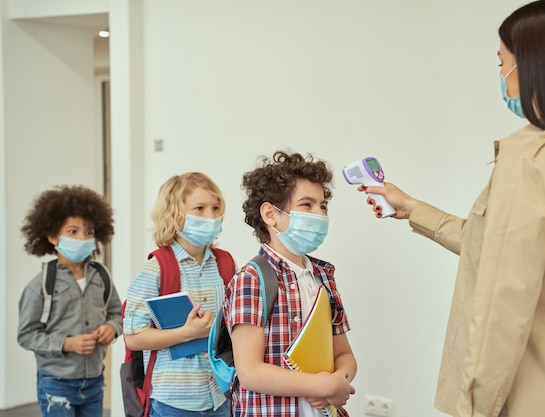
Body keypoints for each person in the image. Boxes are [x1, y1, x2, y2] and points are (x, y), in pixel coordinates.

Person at [357, 1, 545, 417]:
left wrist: (474, 409)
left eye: (503, 64)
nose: (501, 76)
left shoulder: (528, 159)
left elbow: (502, 306)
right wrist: (412, 208)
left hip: (527, 405)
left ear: (535, 66)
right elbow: (503, 250)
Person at [224, 150, 357, 417]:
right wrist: (320, 384)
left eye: (322, 206)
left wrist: (338, 381)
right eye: (306, 205)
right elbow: (250, 372)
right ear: (270, 214)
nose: (319, 214)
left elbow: (344, 354)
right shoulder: (251, 279)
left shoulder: (324, 276)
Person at [123, 172, 233, 417]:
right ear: (174, 215)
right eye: (200, 208)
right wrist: (187, 333)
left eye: (216, 208)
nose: (211, 216)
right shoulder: (158, 267)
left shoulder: (225, 264)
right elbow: (134, 338)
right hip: (173, 401)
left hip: (220, 396)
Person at [17, 185, 122, 417]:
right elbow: (26, 335)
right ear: (53, 236)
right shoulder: (40, 285)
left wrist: (111, 328)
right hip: (56, 382)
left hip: (94, 380)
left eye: (89, 232)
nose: (83, 238)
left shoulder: (101, 276)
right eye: (73, 232)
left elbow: (117, 313)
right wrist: (67, 344)